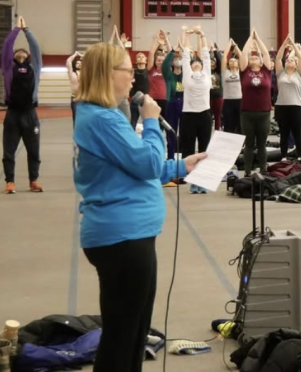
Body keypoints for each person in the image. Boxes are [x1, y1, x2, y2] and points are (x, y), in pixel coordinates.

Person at [72, 41, 206, 372]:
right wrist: (150, 122)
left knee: (132, 334)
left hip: (129, 236)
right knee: (123, 336)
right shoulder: (103, 119)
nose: (134, 78)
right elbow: (146, 162)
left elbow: (137, 166)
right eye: (128, 71)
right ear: (107, 74)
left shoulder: (104, 116)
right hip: (122, 239)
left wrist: (181, 166)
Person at [1, 16, 43, 194]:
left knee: (33, 151)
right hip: (12, 114)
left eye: (23, 52)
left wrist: (26, 30)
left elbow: (36, 48)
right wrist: (16, 30)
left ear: (27, 57)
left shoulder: (34, 67)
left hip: (30, 114)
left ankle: (33, 180)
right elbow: (6, 48)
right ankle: (10, 182)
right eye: (17, 52)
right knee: (8, 151)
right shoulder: (8, 67)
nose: (20, 53)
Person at [179, 28, 213, 194]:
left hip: (204, 115)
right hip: (189, 115)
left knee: (205, 149)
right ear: (191, 67)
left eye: (198, 62)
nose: (196, 63)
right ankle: (192, 181)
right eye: (194, 63)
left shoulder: (207, 74)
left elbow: (205, 55)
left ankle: (203, 180)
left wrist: (202, 34)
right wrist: (186, 35)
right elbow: (186, 55)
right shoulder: (187, 75)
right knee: (188, 149)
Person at [239, 30, 274, 175]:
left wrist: (258, 38)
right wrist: (249, 39)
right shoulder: (245, 71)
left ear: (260, 61)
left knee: (261, 145)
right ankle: (247, 172)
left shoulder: (266, 71)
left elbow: (266, 53)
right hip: (247, 113)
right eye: (251, 58)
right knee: (249, 144)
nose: (253, 58)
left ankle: (264, 170)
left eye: (256, 57)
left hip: (264, 113)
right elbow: (243, 54)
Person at [275, 35, 301, 162]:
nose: (289, 61)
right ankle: (283, 156)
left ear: (296, 65)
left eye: (292, 60)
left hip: (296, 107)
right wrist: (283, 44)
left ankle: (300, 156)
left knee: (297, 132)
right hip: (281, 107)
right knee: (284, 133)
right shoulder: (280, 73)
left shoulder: (299, 74)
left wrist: (293, 45)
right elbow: (278, 58)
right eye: (288, 60)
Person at [222, 40, 243, 134]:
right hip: (228, 101)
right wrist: (229, 45)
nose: (233, 62)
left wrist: (235, 46)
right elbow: (224, 58)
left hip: (240, 100)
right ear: (228, 64)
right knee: (228, 126)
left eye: (235, 60)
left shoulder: (241, 72)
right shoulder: (225, 72)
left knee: (240, 125)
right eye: (231, 61)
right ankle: (228, 146)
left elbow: (242, 57)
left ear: (238, 63)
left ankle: (242, 145)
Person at [146, 31, 168, 114]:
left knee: (163, 123)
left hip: (165, 99)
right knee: (153, 120)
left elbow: (170, 53)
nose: (160, 62)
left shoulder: (166, 70)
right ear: (155, 61)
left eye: (162, 61)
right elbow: (151, 53)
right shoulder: (151, 69)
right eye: (158, 60)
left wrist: (166, 39)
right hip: (153, 99)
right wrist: (156, 40)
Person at [130, 52, 149, 130]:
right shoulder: (132, 72)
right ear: (136, 61)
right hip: (135, 100)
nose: (141, 58)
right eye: (138, 57)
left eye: (142, 56)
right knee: (133, 122)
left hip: (146, 100)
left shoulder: (149, 72)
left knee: (147, 122)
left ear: (146, 60)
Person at [209, 45, 224, 131]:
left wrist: (215, 51)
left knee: (218, 117)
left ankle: (217, 133)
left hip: (218, 97)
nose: (212, 62)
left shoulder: (219, 71)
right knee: (209, 117)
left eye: (213, 61)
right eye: (210, 61)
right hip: (208, 97)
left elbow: (220, 61)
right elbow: (204, 61)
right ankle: (208, 133)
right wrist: (208, 52)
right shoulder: (206, 71)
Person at [66, 51, 82, 124]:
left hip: (84, 98)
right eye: (77, 63)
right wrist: (75, 54)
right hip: (75, 98)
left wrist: (83, 56)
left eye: (80, 63)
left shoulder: (86, 73)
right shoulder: (72, 73)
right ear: (74, 65)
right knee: (76, 119)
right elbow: (68, 62)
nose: (79, 64)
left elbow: (92, 63)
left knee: (84, 118)